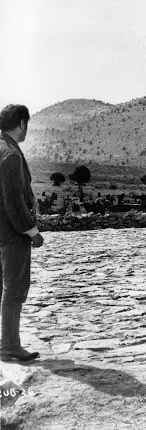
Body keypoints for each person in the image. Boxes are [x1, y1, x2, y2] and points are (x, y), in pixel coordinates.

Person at [0, 104, 44, 361]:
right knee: (14, 289)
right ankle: (9, 346)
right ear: (21, 123)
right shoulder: (11, 154)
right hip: (12, 233)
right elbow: (14, 201)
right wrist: (32, 231)